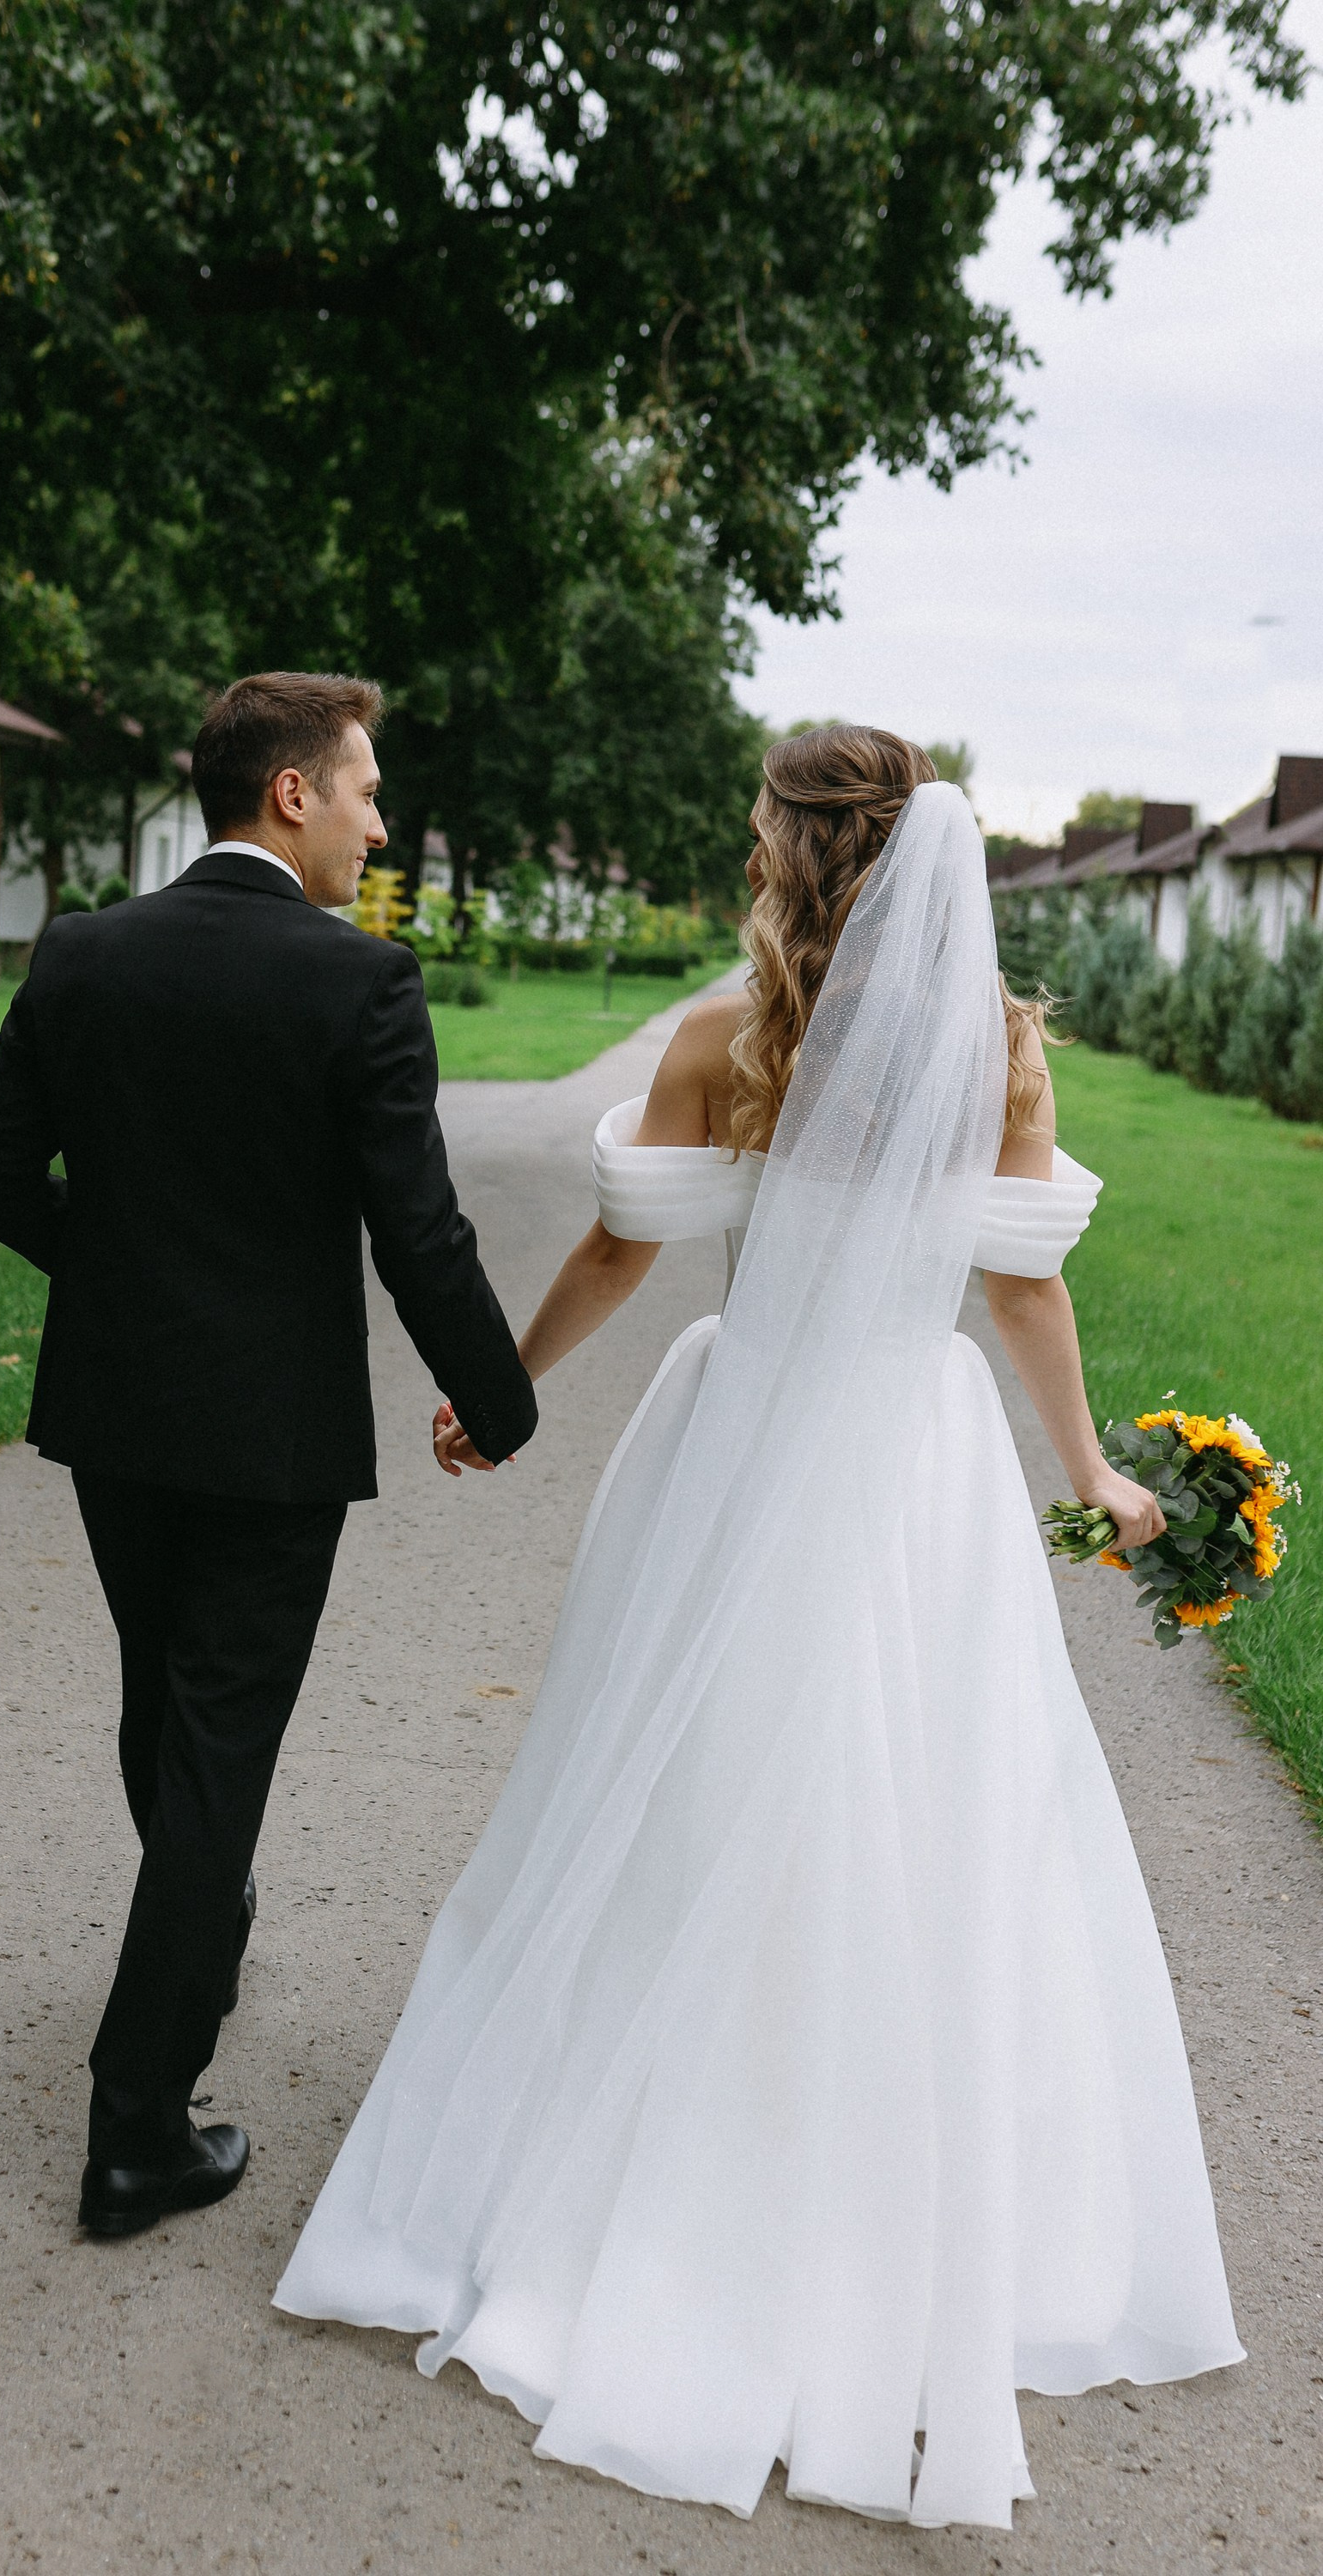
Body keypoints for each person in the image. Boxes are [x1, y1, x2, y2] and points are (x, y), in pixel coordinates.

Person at [275, 726, 1242, 2531]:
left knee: (686, 1786)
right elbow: (1019, 1281)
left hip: (742, 1437)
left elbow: (628, 1250)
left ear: (796, 854)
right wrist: (1090, 1470)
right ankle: (881, 2170)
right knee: (936, 1811)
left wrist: (502, 1392)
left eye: (754, 829)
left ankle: (691, 2144)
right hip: (915, 1457)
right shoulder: (1001, 1045)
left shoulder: (726, 1034)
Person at [0, 671, 537, 2240]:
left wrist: (119, 1279)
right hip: (271, 1440)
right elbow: (420, 1228)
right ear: (292, 796)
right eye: (364, 791)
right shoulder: (359, 985)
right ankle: (136, 2130)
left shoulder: (85, 954)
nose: (379, 821)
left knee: (164, 1694)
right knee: (218, 1746)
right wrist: (503, 1394)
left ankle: (194, 1938)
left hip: (119, 1420)